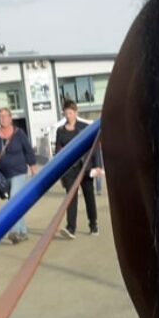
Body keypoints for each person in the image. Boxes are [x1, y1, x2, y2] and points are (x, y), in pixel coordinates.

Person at [0, 107, 38, 244]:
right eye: (1, 116)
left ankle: (14, 231)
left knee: (14, 200)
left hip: (19, 172)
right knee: (16, 203)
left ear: (11, 118)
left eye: (6, 116)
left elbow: (28, 151)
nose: (3, 119)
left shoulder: (19, 133)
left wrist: (33, 168)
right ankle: (23, 231)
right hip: (3, 175)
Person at [54, 100, 100, 237]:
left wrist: (97, 166)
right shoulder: (60, 131)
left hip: (85, 167)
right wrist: (59, 171)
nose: (68, 116)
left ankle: (93, 225)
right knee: (71, 197)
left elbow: (95, 146)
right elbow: (58, 152)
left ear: (76, 113)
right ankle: (71, 228)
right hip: (69, 169)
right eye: (66, 113)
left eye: (70, 113)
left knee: (89, 196)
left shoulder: (85, 127)